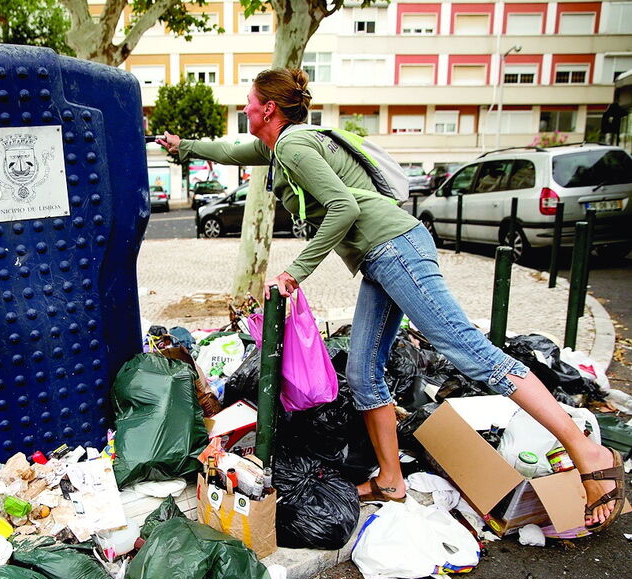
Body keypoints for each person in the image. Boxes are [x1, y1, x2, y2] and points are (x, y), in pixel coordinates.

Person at [156, 68, 624, 531]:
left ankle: (588, 453)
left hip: (395, 249)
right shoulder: (280, 146)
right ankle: (391, 480)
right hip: (380, 259)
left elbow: (344, 207)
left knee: (470, 352)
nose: (245, 108)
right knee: (362, 374)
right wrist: (184, 147)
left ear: (269, 108)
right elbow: (232, 150)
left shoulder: (294, 146)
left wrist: (295, 271)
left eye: (250, 102)